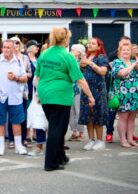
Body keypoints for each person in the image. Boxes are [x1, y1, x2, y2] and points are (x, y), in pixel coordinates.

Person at [35, 28, 95, 171]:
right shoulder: (67, 56)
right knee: (57, 130)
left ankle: (61, 156)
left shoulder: (44, 54)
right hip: (60, 96)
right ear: (66, 40)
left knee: (57, 128)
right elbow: (80, 79)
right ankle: (51, 163)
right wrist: (90, 96)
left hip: (45, 94)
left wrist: (39, 95)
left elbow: (38, 77)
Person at [0, 39, 28, 156]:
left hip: (15, 96)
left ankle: (18, 146)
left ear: (14, 48)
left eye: (8, 47)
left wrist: (16, 78)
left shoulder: (19, 61)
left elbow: (25, 78)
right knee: (0, 122)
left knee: (17, 122)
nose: (6, 50)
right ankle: (0, 146)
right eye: (4, 47)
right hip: (0, 96)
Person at [112, 43, 138, 147]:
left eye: (128, 50)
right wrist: (133, 65)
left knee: (132, 117)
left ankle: (130, 139)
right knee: (123, 117)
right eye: (124, 50)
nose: (126, 52)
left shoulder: (133, 62)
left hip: (136, 93)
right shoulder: (117, 62)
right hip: (123, 93)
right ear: (120, 52)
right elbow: (123, 73)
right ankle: (123, 140)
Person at [79, 37, 109, 151]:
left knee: (98, 114)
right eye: (89, 43)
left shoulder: (102, 57)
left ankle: (100, 141)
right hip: (86, 90)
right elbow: (79, 74)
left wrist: (90, 63)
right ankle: (91, 139)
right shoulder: (85, 57)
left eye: (93, 43)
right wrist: (80, 66)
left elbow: (103, 71)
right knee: (88, 115)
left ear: (99, 46)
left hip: (98, 89)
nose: (90, 45)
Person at [106, 36, 131, 143]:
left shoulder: (131, 56)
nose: (126, 46)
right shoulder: (112, 55)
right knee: (112, 111)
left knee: (129, 113)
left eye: (128, 44)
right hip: (114, 87)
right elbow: (118, 71)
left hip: (129, 90)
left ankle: (128, 134)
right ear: (119, 44)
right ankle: (109, 133)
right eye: (124, 43)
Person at [7, 36, 31, 148]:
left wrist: (26, 75)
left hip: (23, 89)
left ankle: (23, 138)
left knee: (23, 115)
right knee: (12, 115)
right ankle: (11, 139)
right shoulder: (8, 58)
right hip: (11, 88)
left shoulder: (25, 58)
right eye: (13, 43)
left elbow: (30, 72)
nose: (15, 45)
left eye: (17, 43)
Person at [68, 44, 86, 141]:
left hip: (79, 88)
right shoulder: (69, 61)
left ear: (78, 52)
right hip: (69, 88)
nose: (70, 51)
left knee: (78, 110)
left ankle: (81, 132)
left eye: (72, 50)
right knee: (71, 112)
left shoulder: (82, 62)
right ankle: (74, 132)